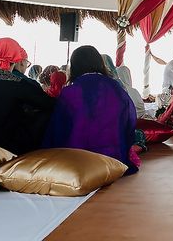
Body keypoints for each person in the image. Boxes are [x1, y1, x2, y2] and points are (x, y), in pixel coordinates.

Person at [43, 45, 139, 174]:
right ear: (99, 63)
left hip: (78, 161)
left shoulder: (70, 92)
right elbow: (129, 119)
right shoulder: (116, 88)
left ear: (75, 66)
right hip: (113, 159)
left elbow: (58, 128)